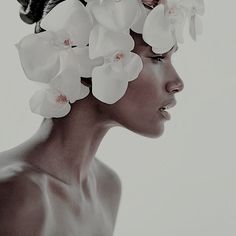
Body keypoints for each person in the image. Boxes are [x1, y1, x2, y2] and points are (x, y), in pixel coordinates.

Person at [0, 0, 203, 235]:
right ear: (87, 56)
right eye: (157, 57)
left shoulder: (107, 187)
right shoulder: (15, 196)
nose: (177, 83)